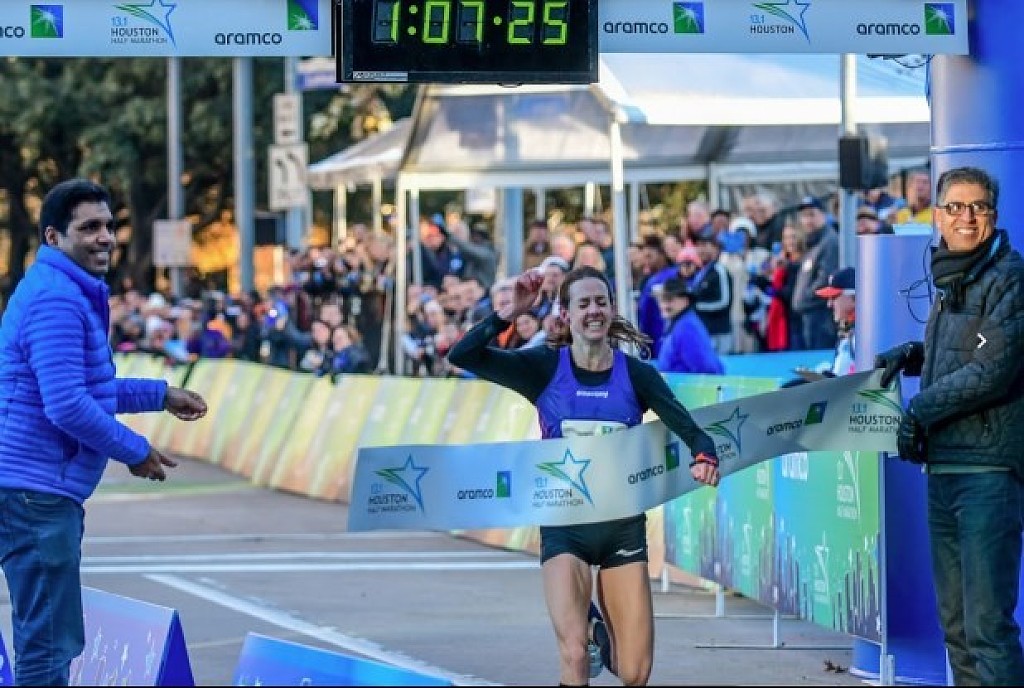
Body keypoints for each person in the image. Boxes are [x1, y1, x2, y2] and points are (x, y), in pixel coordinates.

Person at [448, 265, 720, 686]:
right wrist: (510, 312)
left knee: (634, 673)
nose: (594, 310)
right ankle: (584, 630)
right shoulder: (543, 367)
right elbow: (462, 356)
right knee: (574, 656)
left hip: (621, 528)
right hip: (565, 528)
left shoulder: (638, 375)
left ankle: (598, 627)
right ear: (566, 314)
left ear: (611, 309)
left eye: (601, 302)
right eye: (584, 303)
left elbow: (692, 431)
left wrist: (704, 456)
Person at [0, 178, 209, 686]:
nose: (105, 237)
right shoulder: (56, 300)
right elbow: (67, 405)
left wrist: (160, 395)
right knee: (49, 647)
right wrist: (135, 450)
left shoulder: (60, 289)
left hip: (28, 489)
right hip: (36, 495)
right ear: (54, 237)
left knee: (44, 639)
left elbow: (86, 388)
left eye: (109, 226)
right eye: (89, 227)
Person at [873, 166, 1024, 686]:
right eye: (956, 207)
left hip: (988, 474)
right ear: (937, 215)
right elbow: (964, 352)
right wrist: (914, 355)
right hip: (945, 469)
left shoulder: (1010, 276)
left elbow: (993, 369)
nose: (967, 217)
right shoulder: (952, 277)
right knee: (957, 630)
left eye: (978, 206)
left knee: (988, 630)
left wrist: (919, 409)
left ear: (993, 215)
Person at [654, 277, 724, 375]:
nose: (663, 305)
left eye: (669, 299)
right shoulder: (679, 323)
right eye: (661, 300)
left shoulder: (686, 328)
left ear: (685, 301)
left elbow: (705, 370)